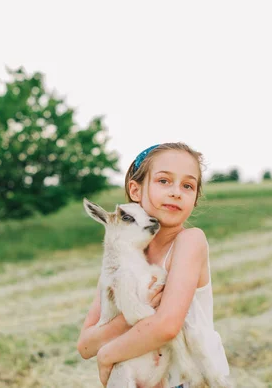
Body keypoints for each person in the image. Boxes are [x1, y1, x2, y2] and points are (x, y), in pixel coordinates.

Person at [76, 142, 230, 388]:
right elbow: (85, 345)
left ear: (195, 199)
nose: (176, 192)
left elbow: (167, 326)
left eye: (188, 186)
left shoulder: (189, 242)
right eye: (164, 181)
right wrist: (135, 309)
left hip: (191, 381)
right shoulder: (121, 262)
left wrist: (107, 354)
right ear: (135, 191)